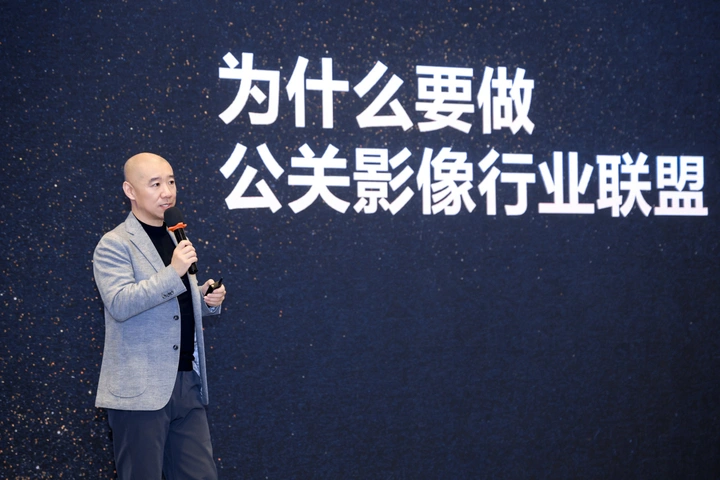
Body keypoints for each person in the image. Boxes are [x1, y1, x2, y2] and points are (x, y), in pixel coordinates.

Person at [93, 152, 226, 479]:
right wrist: (173, 271)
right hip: (140, 391)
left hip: (186, 382)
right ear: (130, 190)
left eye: (171, 182)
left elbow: (173, 305)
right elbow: (120, 303)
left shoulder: (175, 236)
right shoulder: (115, 244)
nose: (167, 192)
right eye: (155, 184)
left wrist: (205, 298)